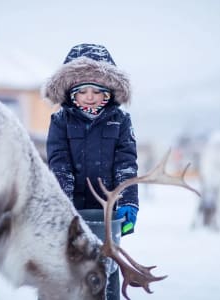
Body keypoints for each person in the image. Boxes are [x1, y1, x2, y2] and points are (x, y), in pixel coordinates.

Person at [44, 43, 139, 300]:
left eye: (97, 91)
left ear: (109, 91)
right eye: (82, 90)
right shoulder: (60, 121)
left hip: (108, 209)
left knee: (107, 262)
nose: (89, 96)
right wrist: (62, 201)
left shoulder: (120, 121)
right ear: (69, 92)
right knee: (70, 264)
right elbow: (58, 161)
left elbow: (126, 164)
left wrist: (128, 202)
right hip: (71, 207)